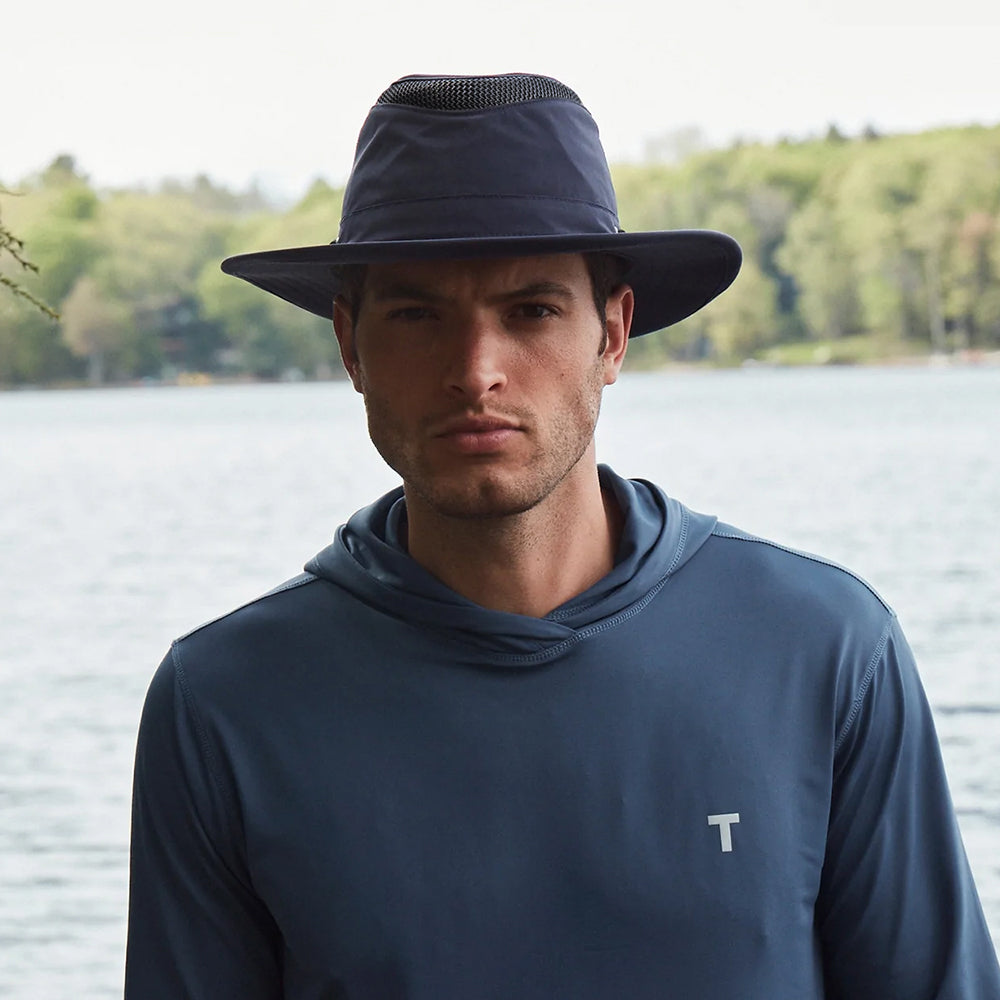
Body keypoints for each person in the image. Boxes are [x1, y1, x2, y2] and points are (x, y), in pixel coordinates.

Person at [125, 74, 1000, 998]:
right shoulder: (225, 703)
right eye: (418, 315)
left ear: (612, 334)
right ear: (351, 345)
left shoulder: (823, 649)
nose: (477, 371)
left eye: (531, 311)